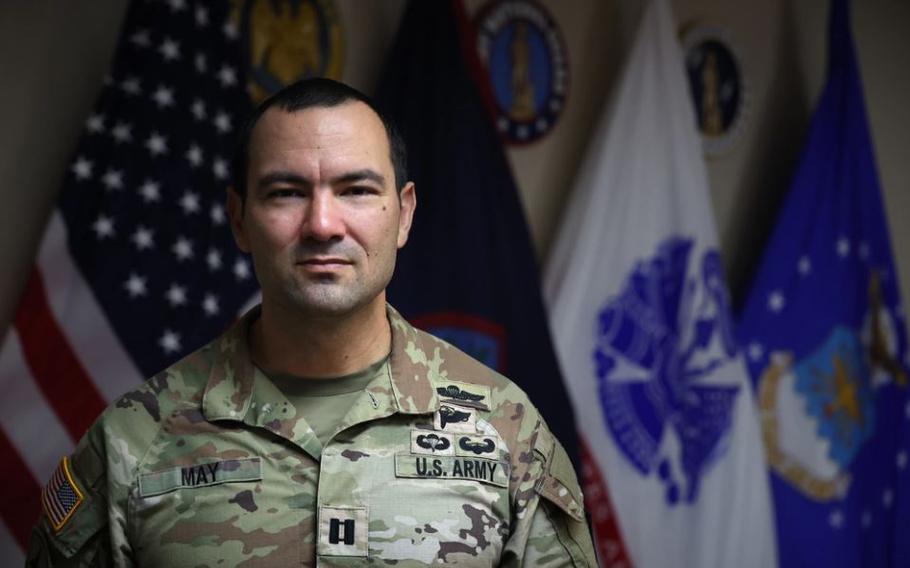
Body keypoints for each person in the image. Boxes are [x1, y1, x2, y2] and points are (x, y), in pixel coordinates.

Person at [26, 78, 597, 567]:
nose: (323, 224)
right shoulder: (136, 443)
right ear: (239, 220)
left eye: (355, 190)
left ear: (404, 215)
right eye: (286, 192)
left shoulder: (507, 434)